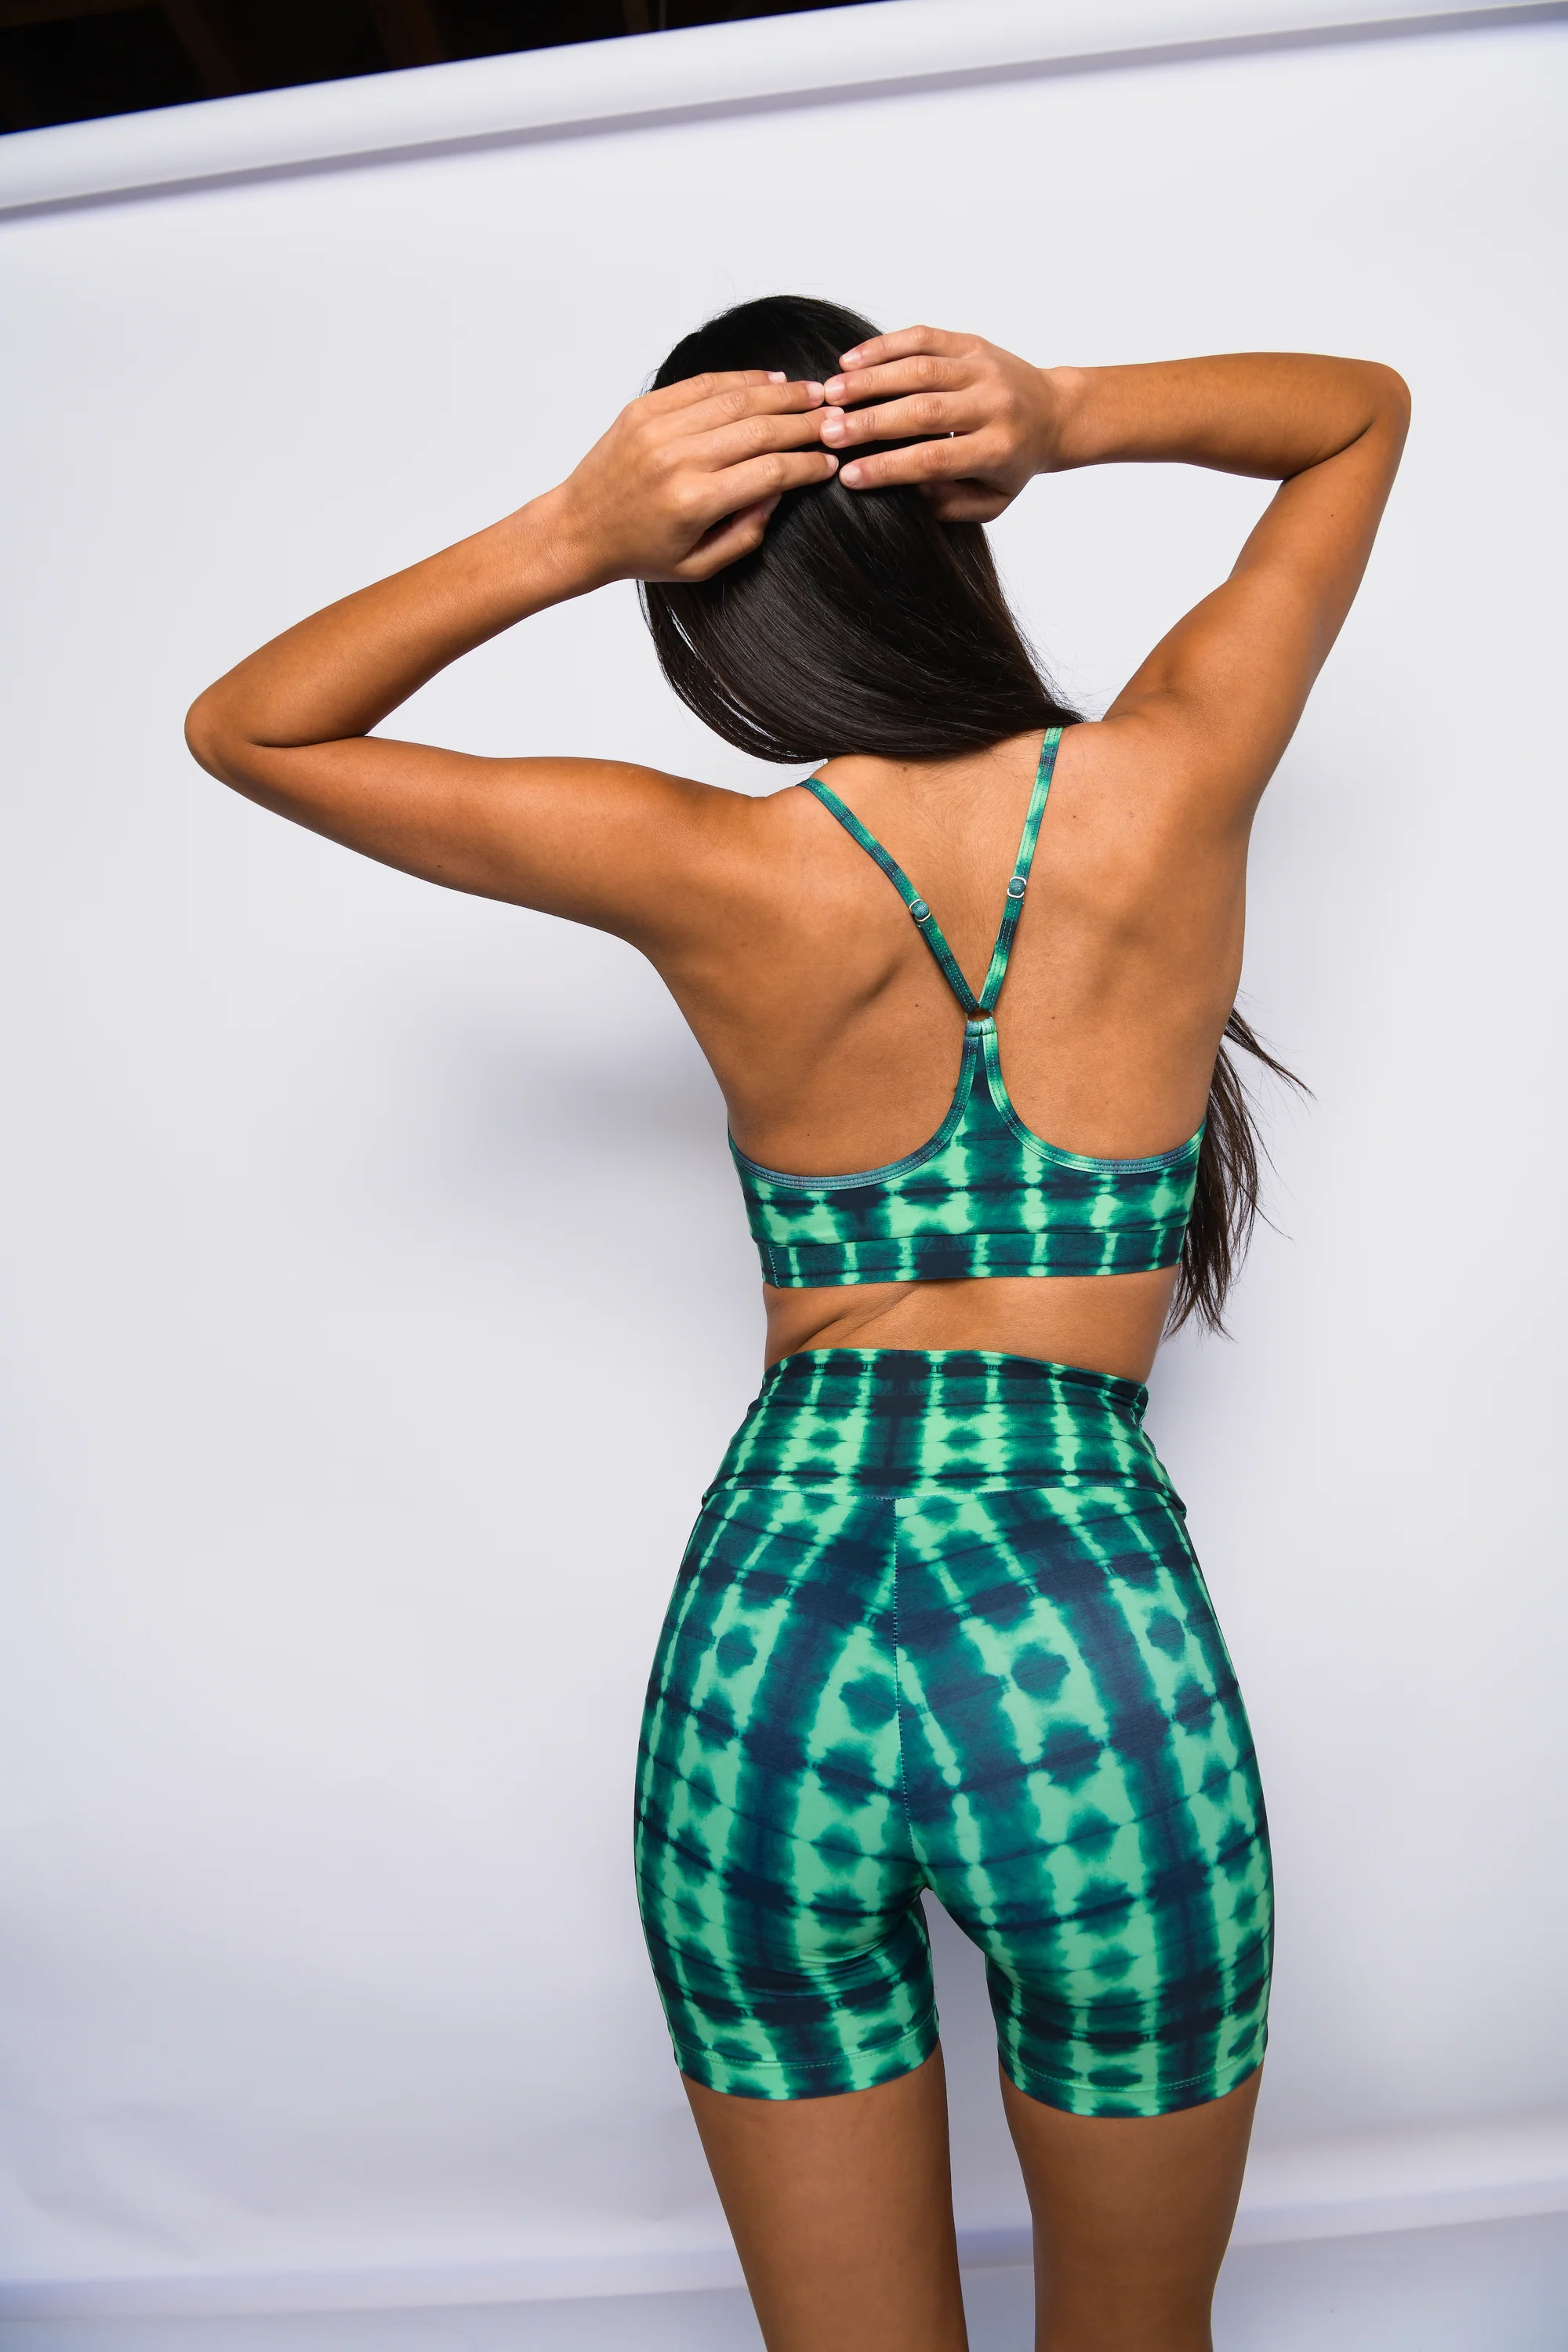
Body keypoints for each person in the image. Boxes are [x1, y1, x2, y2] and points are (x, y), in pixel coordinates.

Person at [185, 295, 1408, 2352]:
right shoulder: (1171, 781)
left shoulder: (709, 866)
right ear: (950, 529)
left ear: (707, 615)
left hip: (775, 1637)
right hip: (1075, 1626)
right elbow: (1356, 418)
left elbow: (253, 729)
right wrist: (1062, 412)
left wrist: (570, 530)